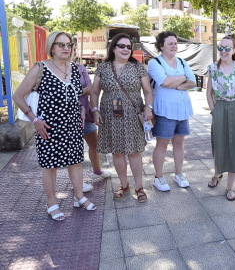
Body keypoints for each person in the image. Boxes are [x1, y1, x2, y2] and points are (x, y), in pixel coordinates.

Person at [12, 31, 96, 221]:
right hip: (47, 127)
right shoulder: (40, 68)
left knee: (76, 162)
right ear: (51, 47)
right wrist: (34, 120)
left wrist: (81, 110)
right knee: (50, 166)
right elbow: (17, 96)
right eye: (61, 44)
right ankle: (52, 202)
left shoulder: (75, 69)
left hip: (73, 125)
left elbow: (75, 94)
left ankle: (79, 196)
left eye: (69, 44)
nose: (66, 48)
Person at [90, 33, 153, 202]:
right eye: (122, 46)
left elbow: (148, 91)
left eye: (128, 47)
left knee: (133, 151)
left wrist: (148, 108)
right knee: (117, 152)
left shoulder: (138, 66)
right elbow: (95, 91)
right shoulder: (103, 67)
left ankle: (139, 186)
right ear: (114, 48)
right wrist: (95, 111)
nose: (126, 49)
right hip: (110, 115)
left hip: (132, 114)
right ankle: (124, 185)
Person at [147, 31, 196, 192]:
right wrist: (183, 78)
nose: (174, 46)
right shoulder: (155, 63)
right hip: (165, 110)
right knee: (162, 145)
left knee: (179, 144)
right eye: (170, 43)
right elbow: (165, 81)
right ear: (161, 46)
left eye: (175, 43)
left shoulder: (181, 61)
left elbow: (193, 81)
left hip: (182, 109)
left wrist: (176, 83)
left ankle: (179, 174)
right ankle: (158, 177)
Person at [206, 34, 235, 201]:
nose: (223, 51)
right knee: (220, 145)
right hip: (221, 107)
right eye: (220, 47)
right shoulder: (212, 68)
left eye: (227, 48)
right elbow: (209, 92)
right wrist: (214, 111)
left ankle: (230, 187)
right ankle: (217, 174)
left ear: (234, 50)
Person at [73, 47, 112, 193]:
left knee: (94, 144)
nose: (71, 50)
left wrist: (83, 90)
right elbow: (68, 91)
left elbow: (90, 86)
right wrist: (83, 90)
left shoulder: (80, 67)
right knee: (74, 149)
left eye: (72, 47)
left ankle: (97, 171)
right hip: (68, 115)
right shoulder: (56, 70)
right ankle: (77, 183)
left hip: (86, 111)